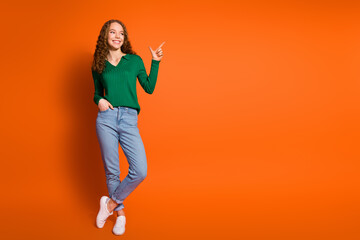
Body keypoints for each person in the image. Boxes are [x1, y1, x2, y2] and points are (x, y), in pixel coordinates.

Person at [91, 19, 165, 235]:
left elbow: (149, 88)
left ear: (124, 38)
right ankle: (120, 216)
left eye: (121, 33)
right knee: (112, 170)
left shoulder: (134, 61)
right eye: (112, 32)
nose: (117, 36)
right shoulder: (98, 63)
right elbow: (96, 92)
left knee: (140, 170)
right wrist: (99, 101)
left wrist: (155, 62)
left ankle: (110, 205)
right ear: (105, 36)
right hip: (106, 119)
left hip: (129, 119)